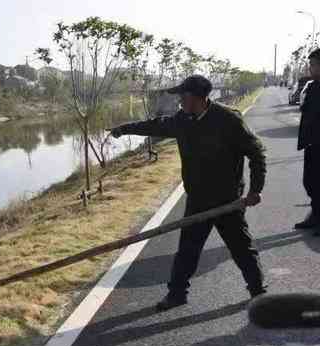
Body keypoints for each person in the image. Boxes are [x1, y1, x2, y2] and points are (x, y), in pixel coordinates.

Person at [110, 75, 268, 312]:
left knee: (242, 249)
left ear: (197, 98)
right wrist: (124, 129)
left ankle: (258, 293)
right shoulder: (182, 120)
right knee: (187, 250)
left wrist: (255, 189)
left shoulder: (228, 120)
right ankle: (177, 294)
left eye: (183, 97)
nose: (179, 102)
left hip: (228, 200)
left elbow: (257, 154)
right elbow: (156, 125)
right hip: (198, 198)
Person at [295, 48, 320, 234]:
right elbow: (304, 108)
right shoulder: (312, 86)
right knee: (310, 181)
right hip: (312, 142)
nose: (310, 68)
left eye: (313, 64)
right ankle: (316, 214)